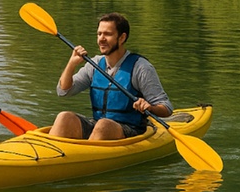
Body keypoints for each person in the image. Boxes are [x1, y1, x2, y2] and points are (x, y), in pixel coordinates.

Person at [49, 12, 173, 140]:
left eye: (107, 34)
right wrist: (71, 64)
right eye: (99, 34)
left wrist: (149, 107)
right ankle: (52, 156)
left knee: (104, 125)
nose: (101, 39)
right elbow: (63, 91)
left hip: (130, 130)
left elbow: (166, 107)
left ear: (122, 38)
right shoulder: (95, 64)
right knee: (64, 117)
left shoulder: (140, 67)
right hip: (98, 125)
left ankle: (88, 156)